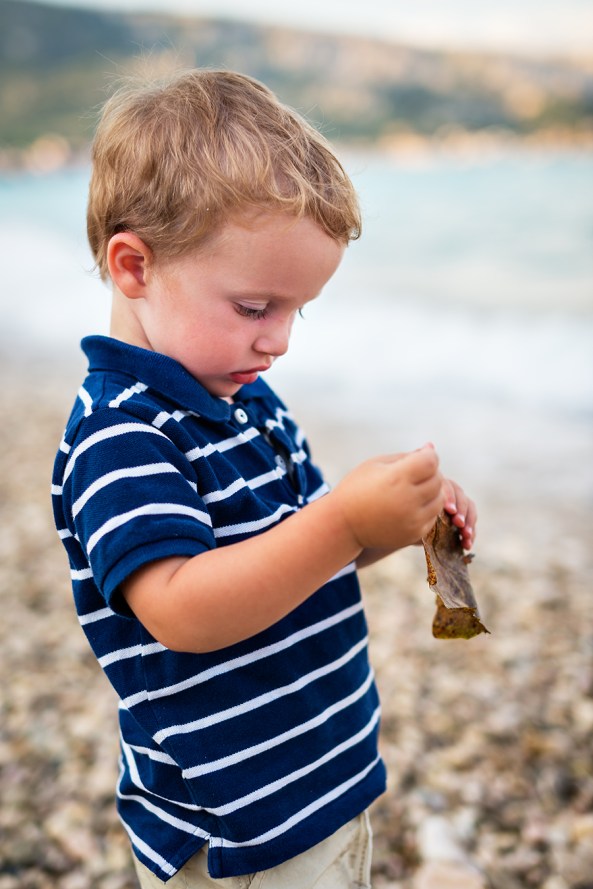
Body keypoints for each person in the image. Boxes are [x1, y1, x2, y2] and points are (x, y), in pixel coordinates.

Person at [51, 68, 476, 888]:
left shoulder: (246, 398)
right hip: (232, 833)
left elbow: (294, 558)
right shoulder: (121, 433)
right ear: (134, 266)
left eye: (297, 310)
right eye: (254, 307)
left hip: (317, 782)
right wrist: (345, 522)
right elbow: (183, 608)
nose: (277, 340)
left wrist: (390, 526)